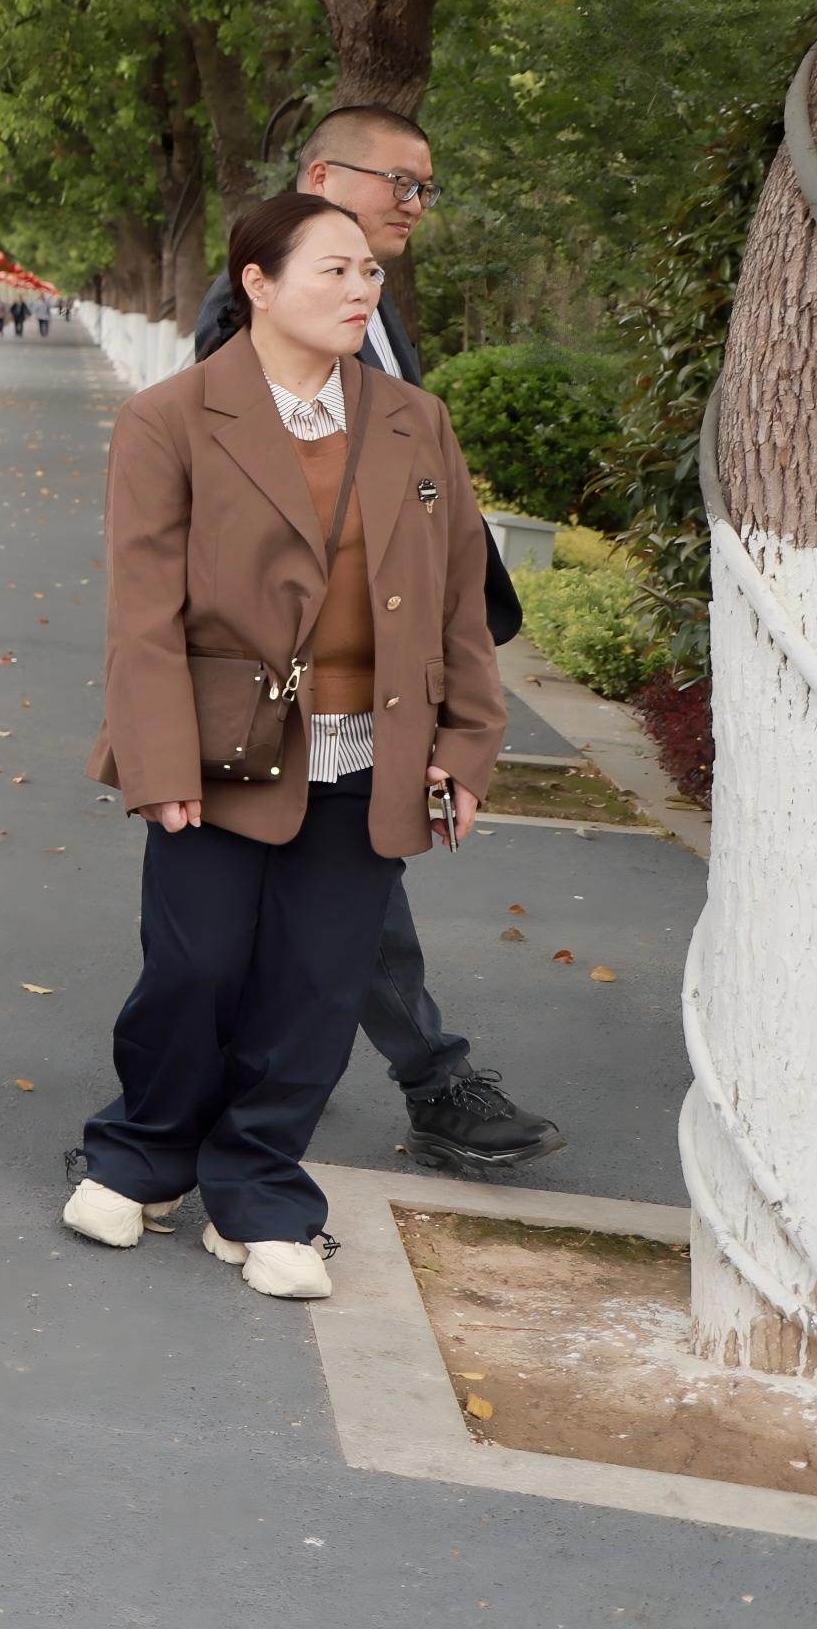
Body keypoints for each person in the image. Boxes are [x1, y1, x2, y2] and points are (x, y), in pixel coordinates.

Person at [69, 190, 506, 1298]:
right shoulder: (172, 417)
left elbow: (458, 598)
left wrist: (464, 744)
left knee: (316, 985)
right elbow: (142, 614)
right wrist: (157, 760)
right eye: (335, 270)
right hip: (221, 747)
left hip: (372, 748)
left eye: (370, 272)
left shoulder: (414, 419)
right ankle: (143, 1149)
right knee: (195, 965)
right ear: (257, 284)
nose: (363, 290)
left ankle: (258, 1188)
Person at [189, 106, 558, 1172]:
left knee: (324, 889)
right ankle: (417, 1081)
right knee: (281, 900)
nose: (414, 202)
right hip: (288, 680)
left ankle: (197, 1106)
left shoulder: (373, 307)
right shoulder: (253, 315)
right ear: (320, 176)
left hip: (385, 658)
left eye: (423, 186)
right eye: (399, 180)